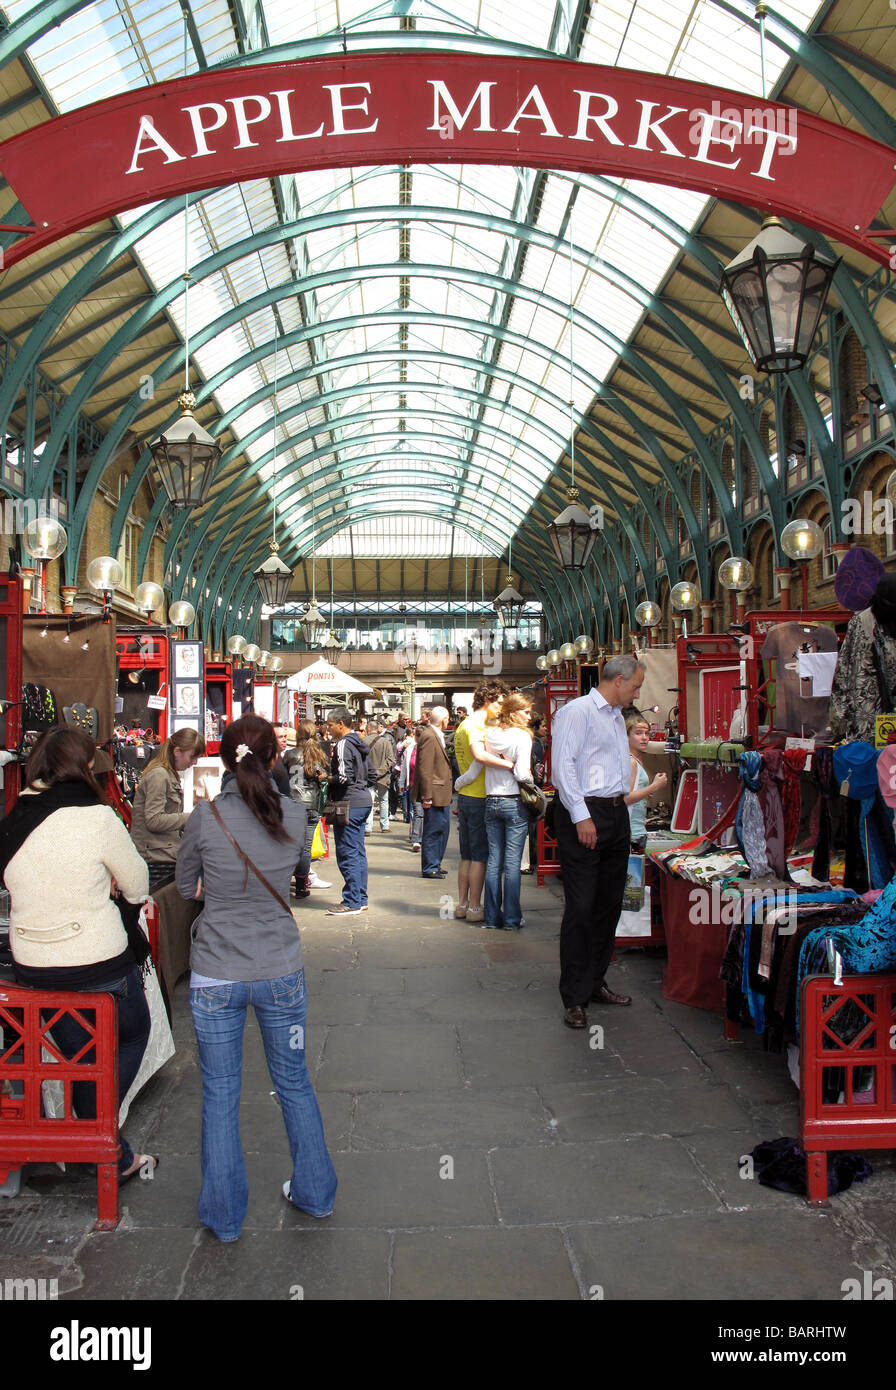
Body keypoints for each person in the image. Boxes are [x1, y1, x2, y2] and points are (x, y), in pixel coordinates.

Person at [176, 714, 337, 1241]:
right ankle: (315, 1193)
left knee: (220, 1092)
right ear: (273, 759)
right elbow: (293, 872)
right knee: (293, 1081)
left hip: (216, 973)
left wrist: (218, 895)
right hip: (280, 970)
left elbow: (183, 888)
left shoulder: (204, 818)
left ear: (221, 759)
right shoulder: (295, 812)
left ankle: (224, 1218)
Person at [0, 726, 156, 1182]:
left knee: (78, 1056)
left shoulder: (17, 813)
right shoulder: (96, 816)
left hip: (32, 963)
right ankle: (100, 1138)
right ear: (83, 765)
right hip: (96, 961)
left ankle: (96, 1138)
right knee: (131, 1034)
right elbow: (137, 884)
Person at [551, 654, 647, 1029]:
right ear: (619, 680)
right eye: (636, 685)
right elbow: (564, 767)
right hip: (584, 813)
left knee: (609, 903)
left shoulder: (614, 717)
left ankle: (595, 982)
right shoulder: (577, 712)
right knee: (581, 905)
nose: (638, 692)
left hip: (614, 812)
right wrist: (581, 816)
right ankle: (574, 997)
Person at [456, 693, 533, 929]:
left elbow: (472, 771)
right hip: (513, 803)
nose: (529, 717)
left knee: (494, 862)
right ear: (514, 712)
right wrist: (531, 777)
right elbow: (521, 774)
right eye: (526, 712)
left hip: (491, 802)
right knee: (512, 864)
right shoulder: (522, 736)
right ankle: (511, 918)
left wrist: (457, 786)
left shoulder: (490, 735)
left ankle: (490, 916)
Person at [452, 680, 511, 921]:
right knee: (480, 856)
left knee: (466, 855)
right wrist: (510, 764)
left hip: (466, 797)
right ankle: (476, 907)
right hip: (480, 796)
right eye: (498, 703)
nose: (500, 708)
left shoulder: (463, 725)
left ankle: (463, 904)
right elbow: (479, 755)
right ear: (487, 699)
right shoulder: (477, 725)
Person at [130, 727, 206, 892]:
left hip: (160, 855)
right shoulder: (159, 776)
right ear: (177, 751)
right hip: (155, 860)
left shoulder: (167, 774)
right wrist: (190, 818)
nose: (194, 762)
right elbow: (153, 820)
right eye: (192, 756)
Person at [831, 573, 896, 743]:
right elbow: (845, 668)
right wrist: (843, 716)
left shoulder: (861, 620)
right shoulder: (861, 622)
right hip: (867, 717)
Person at [325, 705, 374, 916]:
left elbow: (343, 777)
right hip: (363, 799)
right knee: (358, 851)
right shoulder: (360, 743)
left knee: (347, 853)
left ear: (340, 724)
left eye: (330, 725)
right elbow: (372, 774)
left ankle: (352, 901)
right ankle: (360, 897)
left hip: (348, 802)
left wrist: (326, 778)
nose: (328, 730)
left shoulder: (343, 744)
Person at [285, 721, 332, 896]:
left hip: (292, 804)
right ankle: (301, 884)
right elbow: (324, 777)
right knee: (306, 847)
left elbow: (283, 777)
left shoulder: (290, 755)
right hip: (312, 804)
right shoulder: (319, 755)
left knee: (290, 844)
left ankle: (284, 879)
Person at [412, 705, 453, 878]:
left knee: (442, 829)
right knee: (433, 830)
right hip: (434, 793)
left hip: (441, 792)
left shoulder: (434, 735)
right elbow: (425, 768)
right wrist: (426, 795)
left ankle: (435, 863)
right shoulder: (429, 736)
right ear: (445, 720)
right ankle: (430, 866)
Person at [624, 711, 668, 852]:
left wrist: (651, 788)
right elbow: (626, 798)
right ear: (627, 736)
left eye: (647, 733)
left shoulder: (637, 760)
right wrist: (654, 787)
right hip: (631, 831)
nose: (644, 738)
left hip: (637, 828)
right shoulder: (631, 762)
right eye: (638, 733)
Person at [522, 714, 546, 876]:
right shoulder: (534, 743)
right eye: (543, 725)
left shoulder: (532, 741)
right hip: (529, 790)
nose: (546, 729)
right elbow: (534, 771)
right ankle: (528, 861)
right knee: (529, 827)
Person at [366, 719, 396, 832]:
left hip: (368, 776)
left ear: (368, 729)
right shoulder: (386, 742)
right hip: (383, 777)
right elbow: (390, 759)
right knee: (384, 801)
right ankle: (385, 826)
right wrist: (381, 771)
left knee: (369, 801)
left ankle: (367, 827)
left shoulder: (363, 741)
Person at [272, 724, 293, 797]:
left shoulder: (280, 758)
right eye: (280, 737)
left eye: (285, 736)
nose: (284, 740)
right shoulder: (271, 763)